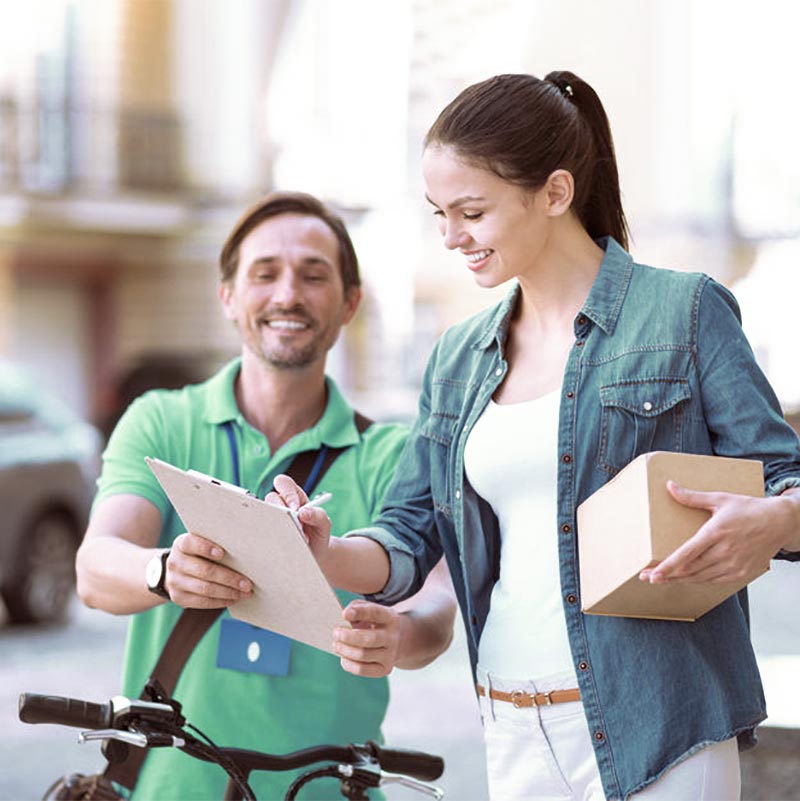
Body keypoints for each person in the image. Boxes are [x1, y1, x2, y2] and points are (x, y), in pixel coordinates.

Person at [269, 73, 800, 801]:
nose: (452, 235)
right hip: (514, 727)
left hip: (663, 730)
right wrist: (323, 549)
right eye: (440, 214)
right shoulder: (458, 358)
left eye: (472, 211)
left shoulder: (684, 313)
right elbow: (407, 533)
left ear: (555, 192)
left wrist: (778, 517)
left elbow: (782, 477)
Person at [75, 190, 457, 801]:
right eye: (264, 274)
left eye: (313, 275)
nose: (287, 295)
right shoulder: (160, 421)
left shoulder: (396, 454)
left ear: (350, 302)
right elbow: (95, 568)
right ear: (227, 296)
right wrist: (163, 570)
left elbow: (436, 611)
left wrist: (400, 637)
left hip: (330, 790)